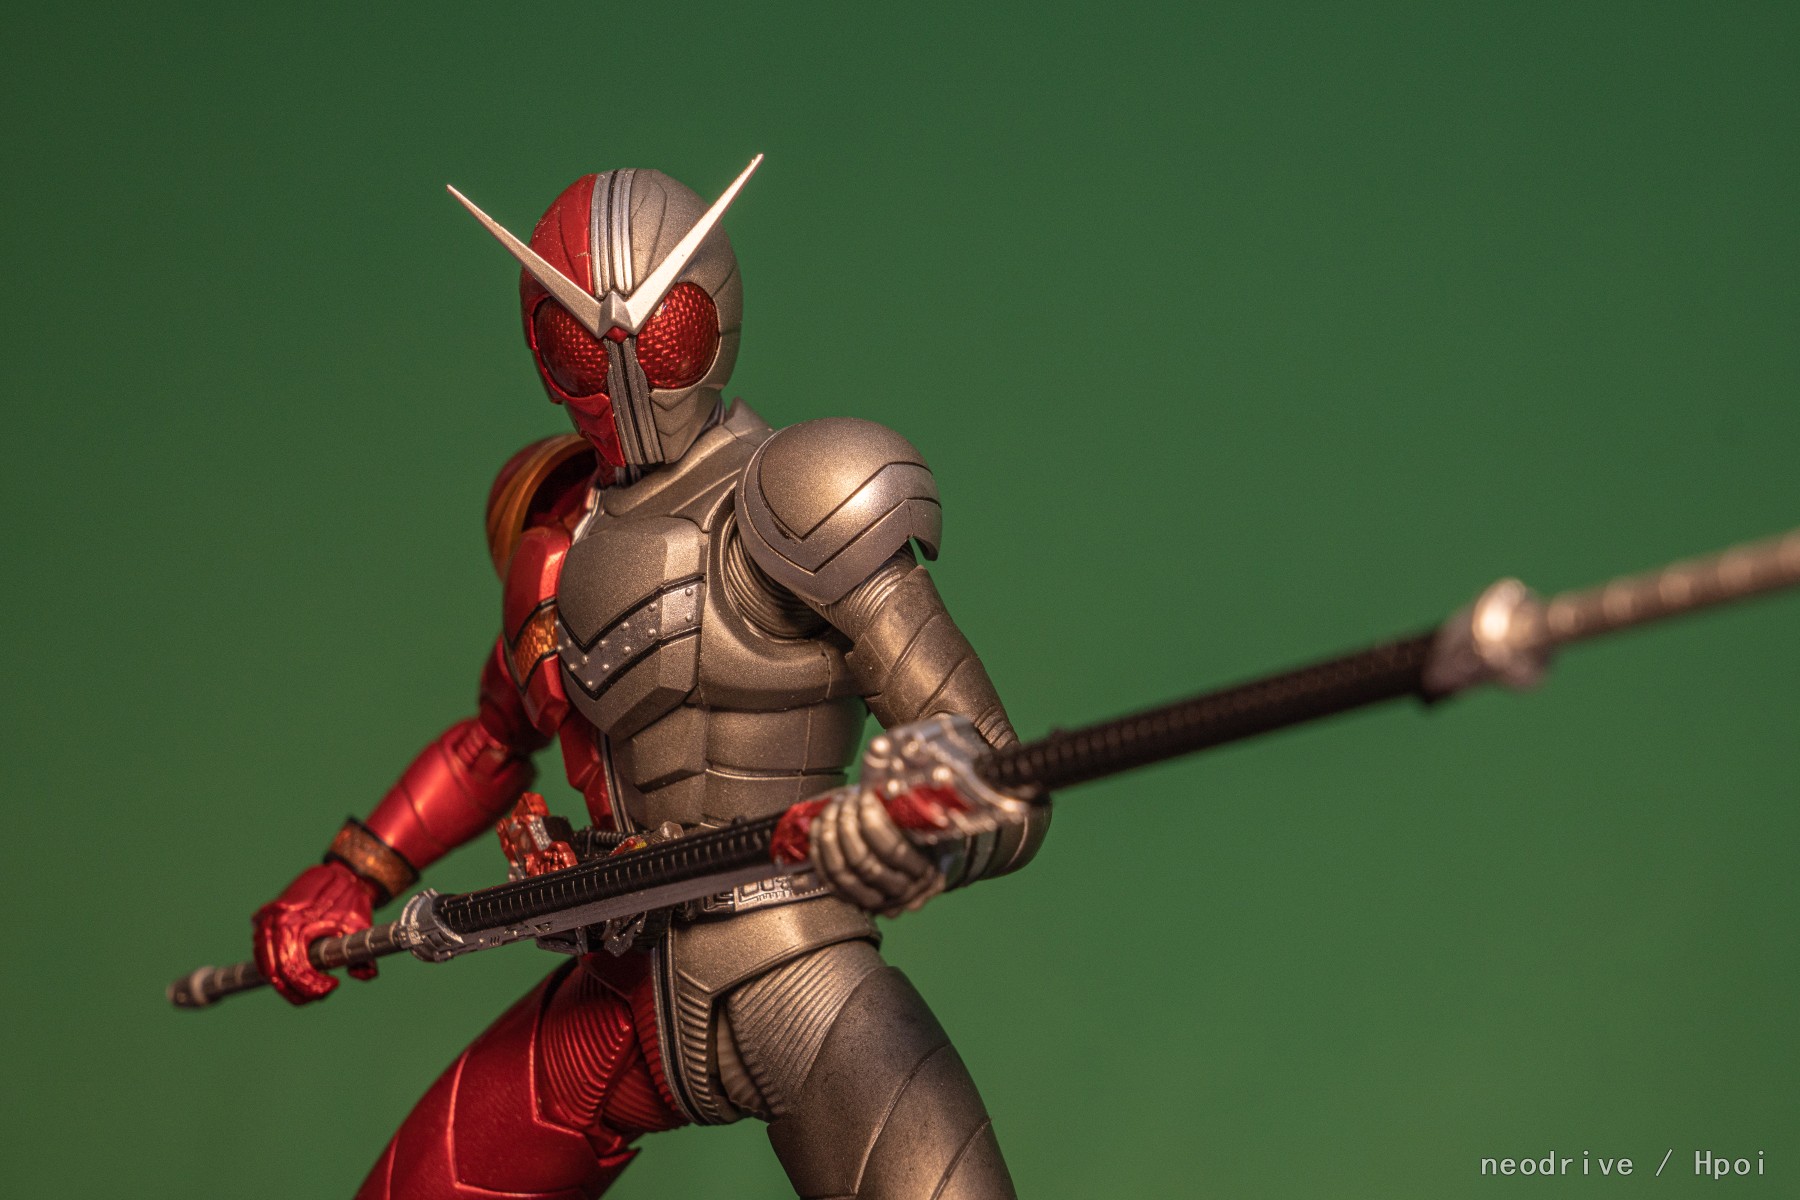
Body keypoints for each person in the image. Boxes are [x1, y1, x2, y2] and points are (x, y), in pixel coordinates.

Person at [252, 161, 1050, 1200]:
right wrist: (352, 875)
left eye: (657, 335)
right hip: (621, 1003)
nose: (623, 374)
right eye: (583, 346)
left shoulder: (803, 490)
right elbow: (492, 740)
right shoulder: (556, 545)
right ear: (544, 349)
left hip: (798, 978)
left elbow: (1002, 780)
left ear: (710, 317)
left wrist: (916, 819)